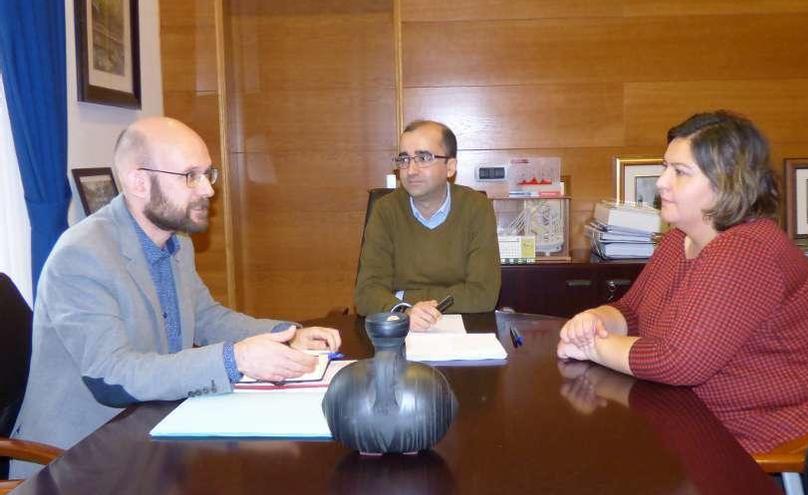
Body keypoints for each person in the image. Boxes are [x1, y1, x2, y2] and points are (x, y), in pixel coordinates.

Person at [11, 117, 341, 477]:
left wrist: (288, 335)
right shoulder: (82, 254)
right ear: (139, 181)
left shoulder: (175, 240)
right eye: (190, 176)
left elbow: (206, 318)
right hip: (75, 458)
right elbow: (111, 377)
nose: (208, 190)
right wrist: (237, 359)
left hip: (149, 431)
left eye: (207, 174)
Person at [557, 110, 808, 454]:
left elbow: (677, 361)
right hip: (695, 422)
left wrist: (591, 347)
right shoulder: (678, 238)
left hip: (771, 444)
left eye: (680, 172)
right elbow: (633, 312)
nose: (662, 182)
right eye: (665, 167)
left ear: (728, 181)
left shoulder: (747, 251)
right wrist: (596, 320)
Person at [354, 120, 501, 330]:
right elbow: (366, 294)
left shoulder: (476, 208)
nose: (411, 170)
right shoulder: (385, 210)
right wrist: (405, 311)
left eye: (423, 158)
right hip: (401, 327)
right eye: (404, 159)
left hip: (463, 331)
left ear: (450, 167)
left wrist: (402, 297)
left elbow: (483, 294)